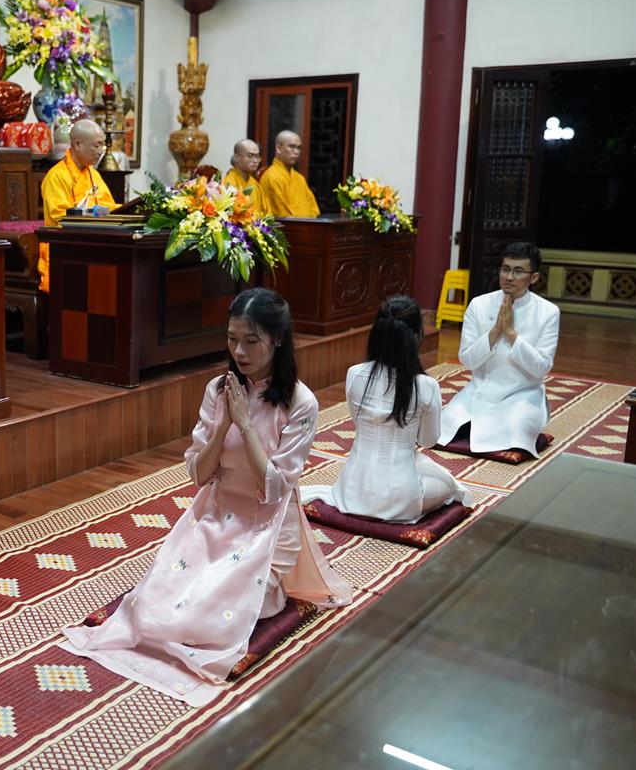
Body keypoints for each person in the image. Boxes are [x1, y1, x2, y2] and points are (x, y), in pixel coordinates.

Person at [62, 289, 351, 707]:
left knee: (210, 617)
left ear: (278, 340)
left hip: (267, 528)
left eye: (251, 341)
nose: (239, 351)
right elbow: (199, 475)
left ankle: (268, 593)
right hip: (214, 515)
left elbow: (274, 490)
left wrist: (245, 425)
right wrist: (224, 424)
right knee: (153, 604)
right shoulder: (219, 389)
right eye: (232, 339)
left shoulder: (300, 402)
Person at [302, 296, 472, 523]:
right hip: (401, 498)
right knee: (449, 485)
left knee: (425, 468)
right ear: (415, 337)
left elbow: (358, 422)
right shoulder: (425, 385)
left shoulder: (354, 374)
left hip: (352, 490)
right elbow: (428, 440)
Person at [439, 242, 560, 456]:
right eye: (505, 269)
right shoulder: (479, 304)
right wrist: (495, 331)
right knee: (445, 424)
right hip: (480, 391)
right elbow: (467, 360)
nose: (509, 277)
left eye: (518, 271)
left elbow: (541, 368)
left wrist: (510, 332)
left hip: (522, 395)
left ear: (533, 277)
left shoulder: (548, 312)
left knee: (516, 428)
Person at [38, 119, 118, 292]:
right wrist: (92, 213)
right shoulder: (56, 176)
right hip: (64, 247)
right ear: (77, 144)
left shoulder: (94, 175)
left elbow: (109, 207)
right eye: (96, 145)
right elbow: (60, 217)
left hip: (94, 244)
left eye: (102, 145)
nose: (101, 151)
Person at [257, 130, 319, 218]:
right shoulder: (272, 177)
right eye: (292, 146)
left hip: (307, 225)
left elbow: (313, 210)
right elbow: (282, 215)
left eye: (299, 148)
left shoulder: (299, 178)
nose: (296, 152)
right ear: (278, 148)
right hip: (289, 226)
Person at [222, 138, 265, 210]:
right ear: (236, 157)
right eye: (250, 156)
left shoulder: (256, 185)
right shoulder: (229, 183)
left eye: (257, 156)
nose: (255, 160)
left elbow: (266, 212)